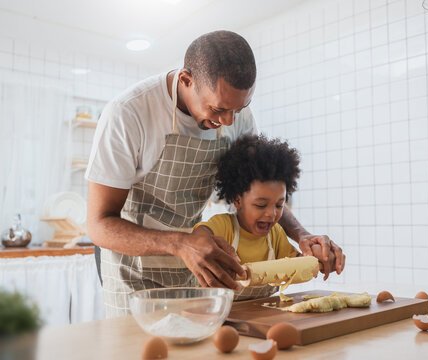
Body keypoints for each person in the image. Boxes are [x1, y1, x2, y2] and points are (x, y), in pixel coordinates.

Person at [86, 30, 345, 318]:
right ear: (187, 80)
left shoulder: (239, 118)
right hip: (131, 268)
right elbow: (99, 224)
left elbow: (261, 193)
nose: (229, 121)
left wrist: (302, 235)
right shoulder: (128, 114)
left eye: (240, 108)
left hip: (195, 262)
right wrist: (180, 244)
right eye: (218, 109)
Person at [193, 134, 340, 300]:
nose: (272, 214)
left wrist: (320, 258)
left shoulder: (275, 234)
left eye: (279, 205)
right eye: (261, 205)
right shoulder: (224, 226)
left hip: (264, 313)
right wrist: (201, 240)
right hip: (223, 316)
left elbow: (298, 264)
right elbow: (200, 237)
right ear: (237, 200)